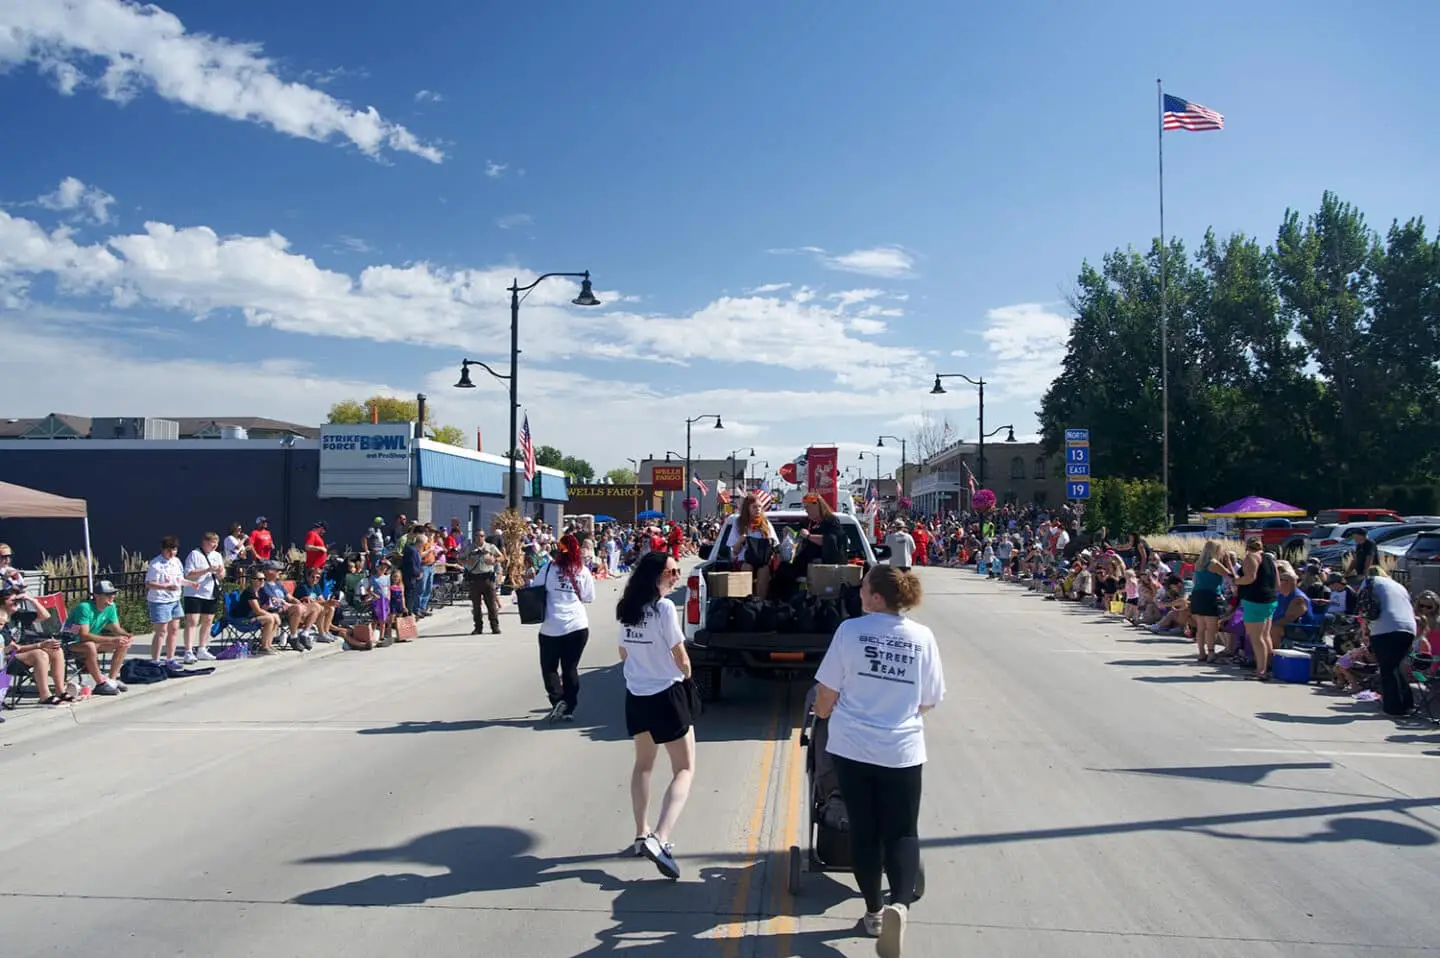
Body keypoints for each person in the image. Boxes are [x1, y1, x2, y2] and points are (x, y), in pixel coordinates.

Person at [813, 566, 945, 955]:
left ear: (876, 598)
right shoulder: (922, 637)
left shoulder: (850, 632)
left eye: (864, 588)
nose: (859, 593)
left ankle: (873, 911)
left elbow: (826, 691)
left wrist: (822, 716)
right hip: (901, 749)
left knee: (865, 831)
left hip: (853, 747)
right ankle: (900, 905)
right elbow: (929, 699)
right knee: (903, 831)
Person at [616, 550, 696, 880]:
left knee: (644, 764)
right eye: (671, 572)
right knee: (685, 768)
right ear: (655, 576)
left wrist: (642, 665)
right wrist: (689, 675)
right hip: (666, 693)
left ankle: (640, 833)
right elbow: (680, 655)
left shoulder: (627, 607)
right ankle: (660, 838)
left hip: (636, 694)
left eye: (677, 571)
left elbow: (622, 651)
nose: (676, 576)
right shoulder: (663, 608)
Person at [538, 533, 595, 722]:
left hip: (551, 627)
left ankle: (558, 700)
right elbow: (588, 597)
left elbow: (534, 587)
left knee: (549, 668)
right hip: (577, 626)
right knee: (570, 668)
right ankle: (570, 706)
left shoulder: (548, 569)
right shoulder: (583, 571)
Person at [1358, 566, 1418, 717]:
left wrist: (1365, 631)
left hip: (1384, 627)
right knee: (1397, 665)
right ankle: (1407, 704)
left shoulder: (1369, 582)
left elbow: (1365, 607)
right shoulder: (1398, 586)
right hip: (1408, 627)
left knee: (1387, 668)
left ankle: (1393, 707)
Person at [61, 580, 135, 694]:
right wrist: (112, 639)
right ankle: (100, 684)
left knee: (123, 643)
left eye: (113, 593)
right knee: (90, 646)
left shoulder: (111, 607)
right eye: (108, 594)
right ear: (97, 595)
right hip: (70, 643)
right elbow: (84, 635)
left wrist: (127, 635)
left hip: (89, 642)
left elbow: (116, 629)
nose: (112, 597)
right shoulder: (84, 608)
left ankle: (112, 680)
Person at [3, 585, 70, 705]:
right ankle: (45, 696)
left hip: (23, 654)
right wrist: (41, 645)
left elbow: (45, 616)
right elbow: (14, 648)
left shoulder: (16, 615)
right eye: (12, 601)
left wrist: (31, 600)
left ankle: (60, 691)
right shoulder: (1, 622)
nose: (16, 603)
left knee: (56, 649)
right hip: (6, 658)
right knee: (40, 654)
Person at [1234, 537, 1280, 681]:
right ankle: (1268, 667)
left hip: (1255, 600)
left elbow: (1250, 577)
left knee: (1256, 637)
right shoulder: (1270, 559)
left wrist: (1236, 580)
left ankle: (1260, 671)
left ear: (1247, 546)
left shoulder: (1251, 557)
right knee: (1265, 636)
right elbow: (1277, 583)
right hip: (1270, 599)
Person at [181, 531, 225, 663]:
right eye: (212, 543)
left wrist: (219, 572)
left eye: (216, 543)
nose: (215, 546)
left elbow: (222, 574)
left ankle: (202, 648)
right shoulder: (194, 555)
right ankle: (188, 651)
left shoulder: (217, 555)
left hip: (211, 592)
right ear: (205, 542)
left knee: (207, 620)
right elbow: (188, 574)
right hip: (195, 593)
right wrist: (207, 570)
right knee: (192, 621)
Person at [726, 494, 779, 599]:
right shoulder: (738, 523)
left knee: (764, 570)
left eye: (760, 506)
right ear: (747, 508)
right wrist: (741, 540)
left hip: (762, 560)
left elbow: (776, 544)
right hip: (744, 560)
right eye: (754, 507)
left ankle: (760, 602)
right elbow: (734, 552)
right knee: (747, 567)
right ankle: (745, 601)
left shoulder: (765, 524)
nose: (758, 509)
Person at [146, 535, 187, 667]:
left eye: (174, 550)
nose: (172, 553)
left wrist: (192, 584)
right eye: (169, 550)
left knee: (174, 629)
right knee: (161, 631)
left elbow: (180, 580)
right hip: (160, 600)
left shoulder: (177, 562)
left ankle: (170, 658)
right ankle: (155, 660)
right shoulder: (155, 564)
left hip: (175, 600)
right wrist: (166, 587)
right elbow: (149, 583)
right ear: (163, 550)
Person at [1188, 540, 1229, 662]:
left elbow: (1194, 580)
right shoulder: (1214, 563)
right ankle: (1211, 653)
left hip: (1197, 594)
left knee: (1201, 627)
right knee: (1212, 627)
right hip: (1210, 594)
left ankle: (1201, 652)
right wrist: (1228, 562)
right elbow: (1229, 574)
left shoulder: (1198, 563)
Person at [464, 536, 504, 635]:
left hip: (487, 579)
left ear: (484, 537)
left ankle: (495, 627)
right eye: (478, 536)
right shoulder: (470, 548)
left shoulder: (491, 547)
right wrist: (466, 561)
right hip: (475, 579)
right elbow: (460, 558)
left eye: (482, 536)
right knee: (476, 606)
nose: (479, 538)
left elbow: (502, 557)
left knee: (491, 605)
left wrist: (494, 560)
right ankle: (478, 627)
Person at [233, 571, 280, 654]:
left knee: (275, 617)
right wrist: (270, 615)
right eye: (260, 579)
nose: (263, 581)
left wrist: (270, 606)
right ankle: (264, 647)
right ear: (253, 580)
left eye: (264, 579)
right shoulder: (250, 591)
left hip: (252, 616)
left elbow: (260, 609)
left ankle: (268, 645)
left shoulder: (260, 591)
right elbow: (257, 610)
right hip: (243, 619)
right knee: (270, 619)